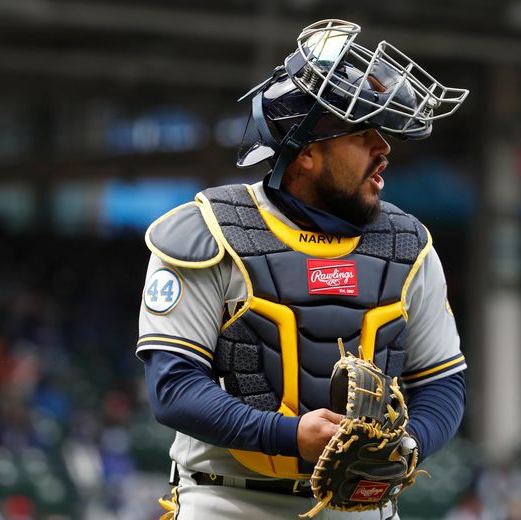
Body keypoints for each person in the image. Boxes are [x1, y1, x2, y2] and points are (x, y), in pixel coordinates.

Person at [136, 19, 469, 519]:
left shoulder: (408, 245)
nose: (384, 150)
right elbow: (174, 388)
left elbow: (442, 382)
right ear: (308, 153)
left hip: (361, 508)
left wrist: (407, 447)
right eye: (364, 134)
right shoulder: (206, 232)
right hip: (226, 501)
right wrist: (290, 436)